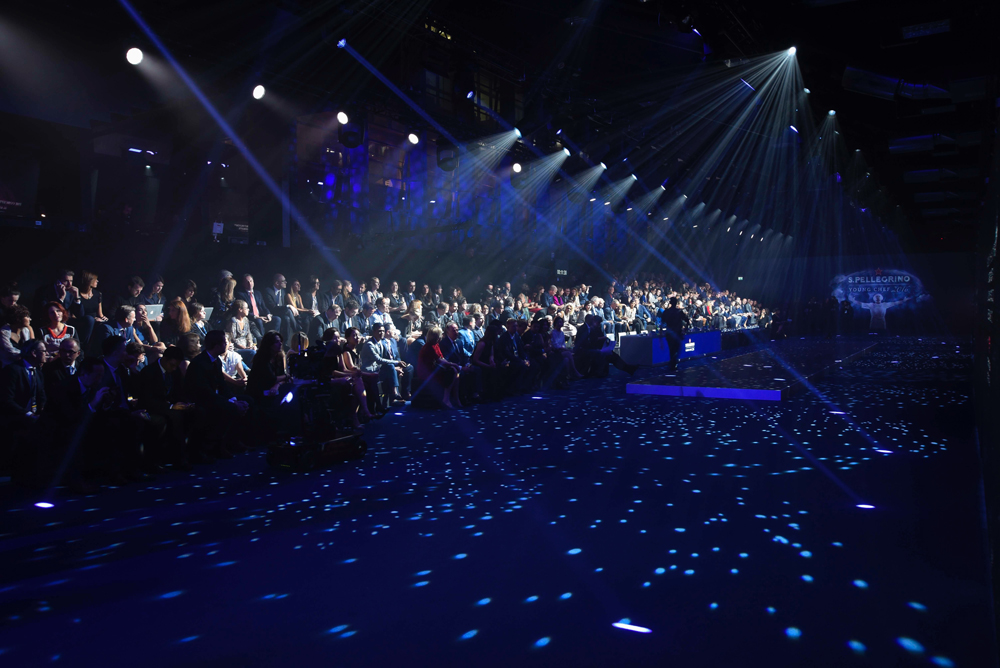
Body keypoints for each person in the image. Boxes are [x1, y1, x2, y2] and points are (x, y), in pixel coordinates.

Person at [182, 329, 250, 459]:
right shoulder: (199, 363)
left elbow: (222, 385)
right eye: (224, 342)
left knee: (247, 401)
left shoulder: (216, 361)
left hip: (214, 396)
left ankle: (234, 441)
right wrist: (231, 403)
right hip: (201, 399)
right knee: (228, 408)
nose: (227, 345)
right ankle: (214, 447)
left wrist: (234, 399)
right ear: (217, 345)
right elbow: (204, 391)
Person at [360, 322, 412, 405]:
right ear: (374, 332)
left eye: (383, 331)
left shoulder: (380, 342)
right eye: (379, 331)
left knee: (393, 368)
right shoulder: (369, 344)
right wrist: (397, 363)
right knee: (391, 367)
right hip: (369, 370)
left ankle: (393, 396)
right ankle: (394, 394)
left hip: (378, 369)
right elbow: (379, 359)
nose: (382, 333)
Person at [415, 326, 462, 409]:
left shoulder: (436, 345)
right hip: (427, 372)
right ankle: (446, 398)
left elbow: (442, 358)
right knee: (452, 372)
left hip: (434, 368)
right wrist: (453, 364)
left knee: (455, 372)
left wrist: (452, 365)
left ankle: (456, 398)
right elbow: (440, 361)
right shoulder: (429, 347)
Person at [341, 327, 381, 416]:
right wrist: (368, 374)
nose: (357, 338)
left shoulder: (357, 350)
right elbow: (352, 368)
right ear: (347, 338)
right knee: (370, 380)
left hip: (359, 374)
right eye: (354, 336)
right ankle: (373, 409)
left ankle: (374, 408)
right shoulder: (347, 352)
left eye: (358, 335)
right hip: (352, 376)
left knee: (373, 380)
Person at [247, 331, 288, 401]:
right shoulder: (261, 359)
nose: (280, 343)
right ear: (269, 344)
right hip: (258, 393)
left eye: (280, 341)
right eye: (277, 342)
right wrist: (287, 376)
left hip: (273, 390)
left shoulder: (279, 357)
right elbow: (271, 379)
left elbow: (282, 377)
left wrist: (277, 385)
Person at [660, 296, 690, 371]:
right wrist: (685, 330)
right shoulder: (679, 312)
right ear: (676, 303)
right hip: (677, 333)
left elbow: (661, 323)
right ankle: (673, 364)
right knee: (676, 349)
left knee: (672, 350)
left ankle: (673, 363)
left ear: (670, 303)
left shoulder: (666, 312)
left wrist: (660, 334)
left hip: (669, 333)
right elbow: (687, 321)